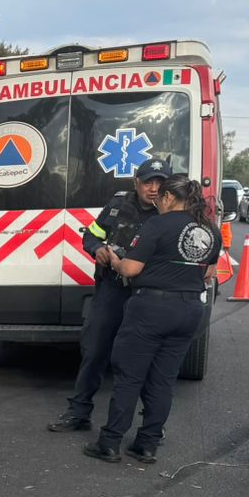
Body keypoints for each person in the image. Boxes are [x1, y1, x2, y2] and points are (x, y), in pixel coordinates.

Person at [82, 174, 220, 464]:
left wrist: (116, 260)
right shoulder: (209, 228)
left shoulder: (157, 224)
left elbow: (131, 269)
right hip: (189, 310)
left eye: (160, 197)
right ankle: (147, 444)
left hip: (151, 309)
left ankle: (109, 442)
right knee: (163, 380)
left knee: (130, 376)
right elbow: (208, 273)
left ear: (169, 198)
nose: (156, 201)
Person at [49, 158, 169, 431]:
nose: (153, 189)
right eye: (148, 182)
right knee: (94, 350)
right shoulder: (118, 206)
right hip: (111, 290)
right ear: (136, 183)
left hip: (147, 295)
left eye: (160, 183)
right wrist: (97, 249)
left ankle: (151, 426)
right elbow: (91, 235)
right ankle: (78, 413)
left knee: (147, 359)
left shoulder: (171, 214)